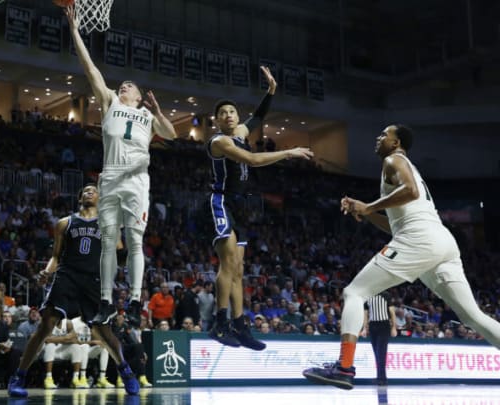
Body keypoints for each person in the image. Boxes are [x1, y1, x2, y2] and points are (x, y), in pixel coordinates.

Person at [303, 124, 500, 389]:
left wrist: (369, 205)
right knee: (473, 317)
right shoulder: (400, 167)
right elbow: (396, 226)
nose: (378, 137)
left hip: (420, 239)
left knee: (354, 293)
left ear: (397, 143)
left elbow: (411, 191)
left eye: (384, 134)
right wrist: (367, 213)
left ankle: (344, 368)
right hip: (440, 242)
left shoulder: (393, 159)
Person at [65, 5, 179, 327]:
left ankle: (133, 299)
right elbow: (90, 70)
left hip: (136, 177)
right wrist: (75, 31)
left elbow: (171, 136)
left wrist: (158, 112)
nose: (124, 85)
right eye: (123, 84)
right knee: (107, 242)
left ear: (140, 95)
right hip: (111, 175)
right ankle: (105, 300)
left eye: (130, 85)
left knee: (134, 241)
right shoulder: (109, 101)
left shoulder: (146, 114)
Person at [205, 67, 313, 350]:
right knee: (228, 264)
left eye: (232, 111)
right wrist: (289, 152)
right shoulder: (220, 141)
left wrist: (271, 91)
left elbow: (259, 117)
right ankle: (219, 324)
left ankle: (240, 327)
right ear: (216, 121)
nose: (228, 115)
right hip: (222, 202)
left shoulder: (241, 131)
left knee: (239, 270)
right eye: (223, 113)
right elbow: (252, 160)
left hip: (241, 205)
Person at [8, 184, 140, 398]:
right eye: (85, 191)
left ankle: (126, 371)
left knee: (103, 331)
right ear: (80, 198)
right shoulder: (64, 223)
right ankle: (19, 376)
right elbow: (56, 256)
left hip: (94, 280)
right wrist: (47, 271)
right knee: (46, 326)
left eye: (93, 190)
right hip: (67, 277)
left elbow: (119, 256)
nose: (89, 191)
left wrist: (133, 251)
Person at [361, 292, 396, 386]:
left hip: (384, 325)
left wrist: (393, 327)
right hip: (373, 325)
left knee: (381, 352)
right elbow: (365, 314)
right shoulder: (367, 296)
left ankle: (382, 379)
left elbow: (392, 312)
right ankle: (380, 377)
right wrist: (365, 328)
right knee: (376, 353)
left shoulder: (386, 295)